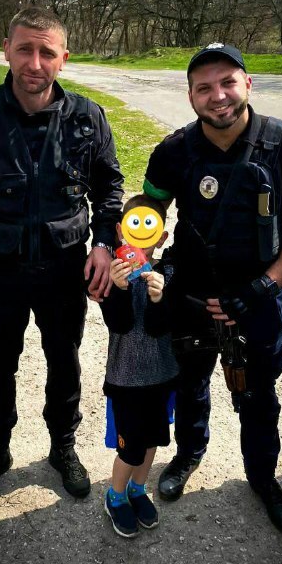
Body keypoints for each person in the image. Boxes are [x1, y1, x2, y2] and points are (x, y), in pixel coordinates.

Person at [0, 6, 123, 503]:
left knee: (65, 363)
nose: (35, 63)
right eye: (24, 50)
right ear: (6, 51)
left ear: (63, 59)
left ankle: (63, 447)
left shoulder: (87, 118)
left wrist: (104, 245)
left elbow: (109, 188)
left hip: (64, 270)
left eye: (46, 53)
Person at [143, 43, 282, 534]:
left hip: (257, 298)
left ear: (248, 84)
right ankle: (187, 455)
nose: (218, 95)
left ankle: (263, 478)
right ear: (190, 96)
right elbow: (148, 212)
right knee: (190, 384)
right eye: (204, 87)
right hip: (192, 297)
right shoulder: (173, 151)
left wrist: (263, 287)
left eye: (227, 82)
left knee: (259, 394)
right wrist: (136, 245)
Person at [100, 195, 178, 538]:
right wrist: (118, 289)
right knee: (129, 447)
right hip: (126, 379)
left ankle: (137, 489)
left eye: (150, 229)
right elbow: (117, 324)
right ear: (121, 231)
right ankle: (115, 495)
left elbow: (162, 327)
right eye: (134, 227)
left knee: (153, 440)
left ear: (161, 236)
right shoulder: (114, 274)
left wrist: (160, 298)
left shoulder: (167, 273)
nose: (142, 237)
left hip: (161, 376)